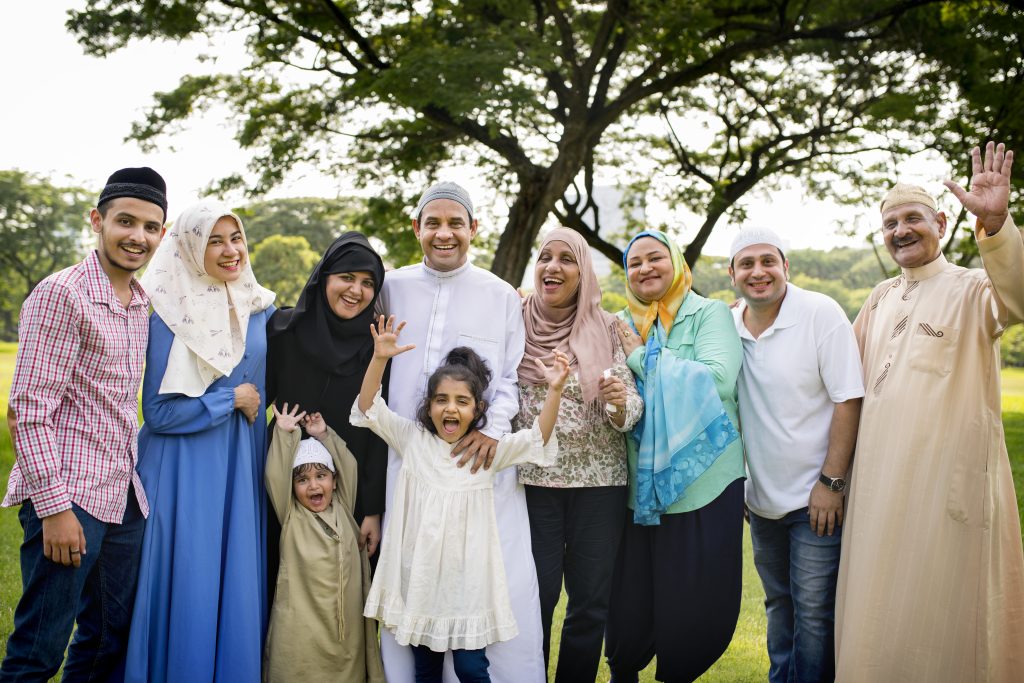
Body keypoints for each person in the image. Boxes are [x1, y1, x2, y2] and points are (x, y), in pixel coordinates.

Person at [835, 141, 1024, 682]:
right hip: (876, 489)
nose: (901, 230)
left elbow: (1018, 298)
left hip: (944, 488)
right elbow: (841, 381)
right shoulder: (879, 297)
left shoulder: (974, 288)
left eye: (913, 218)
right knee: (875, 608)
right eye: (891, 223)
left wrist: (997, 225)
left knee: (942, 609)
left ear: (941, 223)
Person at [0, 168, 168, 682]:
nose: (137, 236)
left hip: (122, 495)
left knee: (106, 640)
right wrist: (54, 509)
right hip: (69, 495)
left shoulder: (140, 302)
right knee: (39, 649)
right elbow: (28, 409)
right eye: (125, 221)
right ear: (97, 220)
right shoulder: (62, 293)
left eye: (151, 227)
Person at [377, 181, 543, 681]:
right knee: (414, 576)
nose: (444, 233)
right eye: (433, 223)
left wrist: (492, 431)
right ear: (416, 228)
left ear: (474, 228)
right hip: (407, 461)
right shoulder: (392, 287)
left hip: (479, 467)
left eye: (455, 223)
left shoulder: (500, 294)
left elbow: (510, 377)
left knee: (485, 580)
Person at [352, 317, 569, 683]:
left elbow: (538, 438)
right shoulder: (413, 440)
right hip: (420, 580)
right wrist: (379, 359)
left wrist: (556, 391)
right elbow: (368, 407)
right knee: (426, 669)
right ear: (429, 406)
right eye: (441, 400)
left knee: (471, 668)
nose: (450, 409)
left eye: (461, 401)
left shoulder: (485, 453)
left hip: (468, 584)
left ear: (477, 409)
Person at [122, 200, 276, 683]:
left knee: (233, 580)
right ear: (190, 248)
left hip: (239, 464)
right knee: (190, 580)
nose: (231, 251)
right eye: (214, 241)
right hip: (182, 469)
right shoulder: (168, 312)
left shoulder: (259, 307)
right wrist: (230, 399)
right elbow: (159, 413)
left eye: (236, 238)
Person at [606, 229, 744, 683]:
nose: (645, 268)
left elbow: (718, 380)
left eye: (655, 258)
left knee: (692, 601)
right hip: (637, 487)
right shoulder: (618, 323)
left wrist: (641, 359)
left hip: (703, 482)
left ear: (678, 262)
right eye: (634, 263)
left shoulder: (709, 314)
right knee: (629, 600)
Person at [729, 227, 863, 683]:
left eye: (768, 261)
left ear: (786, 266)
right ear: (732, 274)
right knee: (778, 605)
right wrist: (744, 483)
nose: (758, 272)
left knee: (815, 613)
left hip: (816, 500)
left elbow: (848, 399)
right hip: (761, 501)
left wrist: (832, 484)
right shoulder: (728, 326)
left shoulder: (820, 313)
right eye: (747, 264)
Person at [515, 227, 642, 681]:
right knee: (535, 597)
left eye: (567, 259)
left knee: (589, 603)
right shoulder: (512, 321)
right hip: (531, 484)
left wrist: (619, 403)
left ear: (583, 270)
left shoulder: (609, 328)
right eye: (545, 257)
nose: (553, 267)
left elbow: (633, 407)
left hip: (599, 487)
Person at [266, 232, 389, 562]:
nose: (356, 290)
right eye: (347, 277)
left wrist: (373, 510)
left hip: (350, 494)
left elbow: (379, 433)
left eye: (367, 283)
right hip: (282, 491)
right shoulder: (284, 331)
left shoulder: (376, 348)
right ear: (324, 277)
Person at [263, 403, 384, 683]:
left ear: (335, 480)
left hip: (344, 637)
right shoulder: (291, 515)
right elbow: (275, 474)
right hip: (303, 633)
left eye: (321, 476)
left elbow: (348, 464)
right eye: (302, 480)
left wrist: (324, 435)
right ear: (292, 487)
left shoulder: (344, 508)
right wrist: (283, 434)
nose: (314, 486)